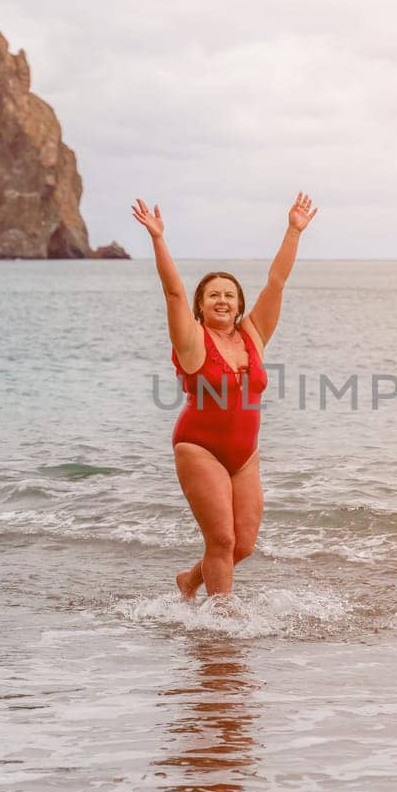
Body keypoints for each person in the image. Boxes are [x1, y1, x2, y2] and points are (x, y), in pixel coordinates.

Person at [131, 192, 320, 601]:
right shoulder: (193, 341)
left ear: (238, 306)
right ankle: (223, 623)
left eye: (229, 295)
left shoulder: (253, 335)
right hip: (199, 448)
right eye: (213, 294)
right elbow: (173, 294)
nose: (222, 299)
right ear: (201, 306)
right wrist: (158, 239)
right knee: (221, 540)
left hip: (244, 455)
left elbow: (277, 281)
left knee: (243, 544)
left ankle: (190, 580)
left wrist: (293, 230)